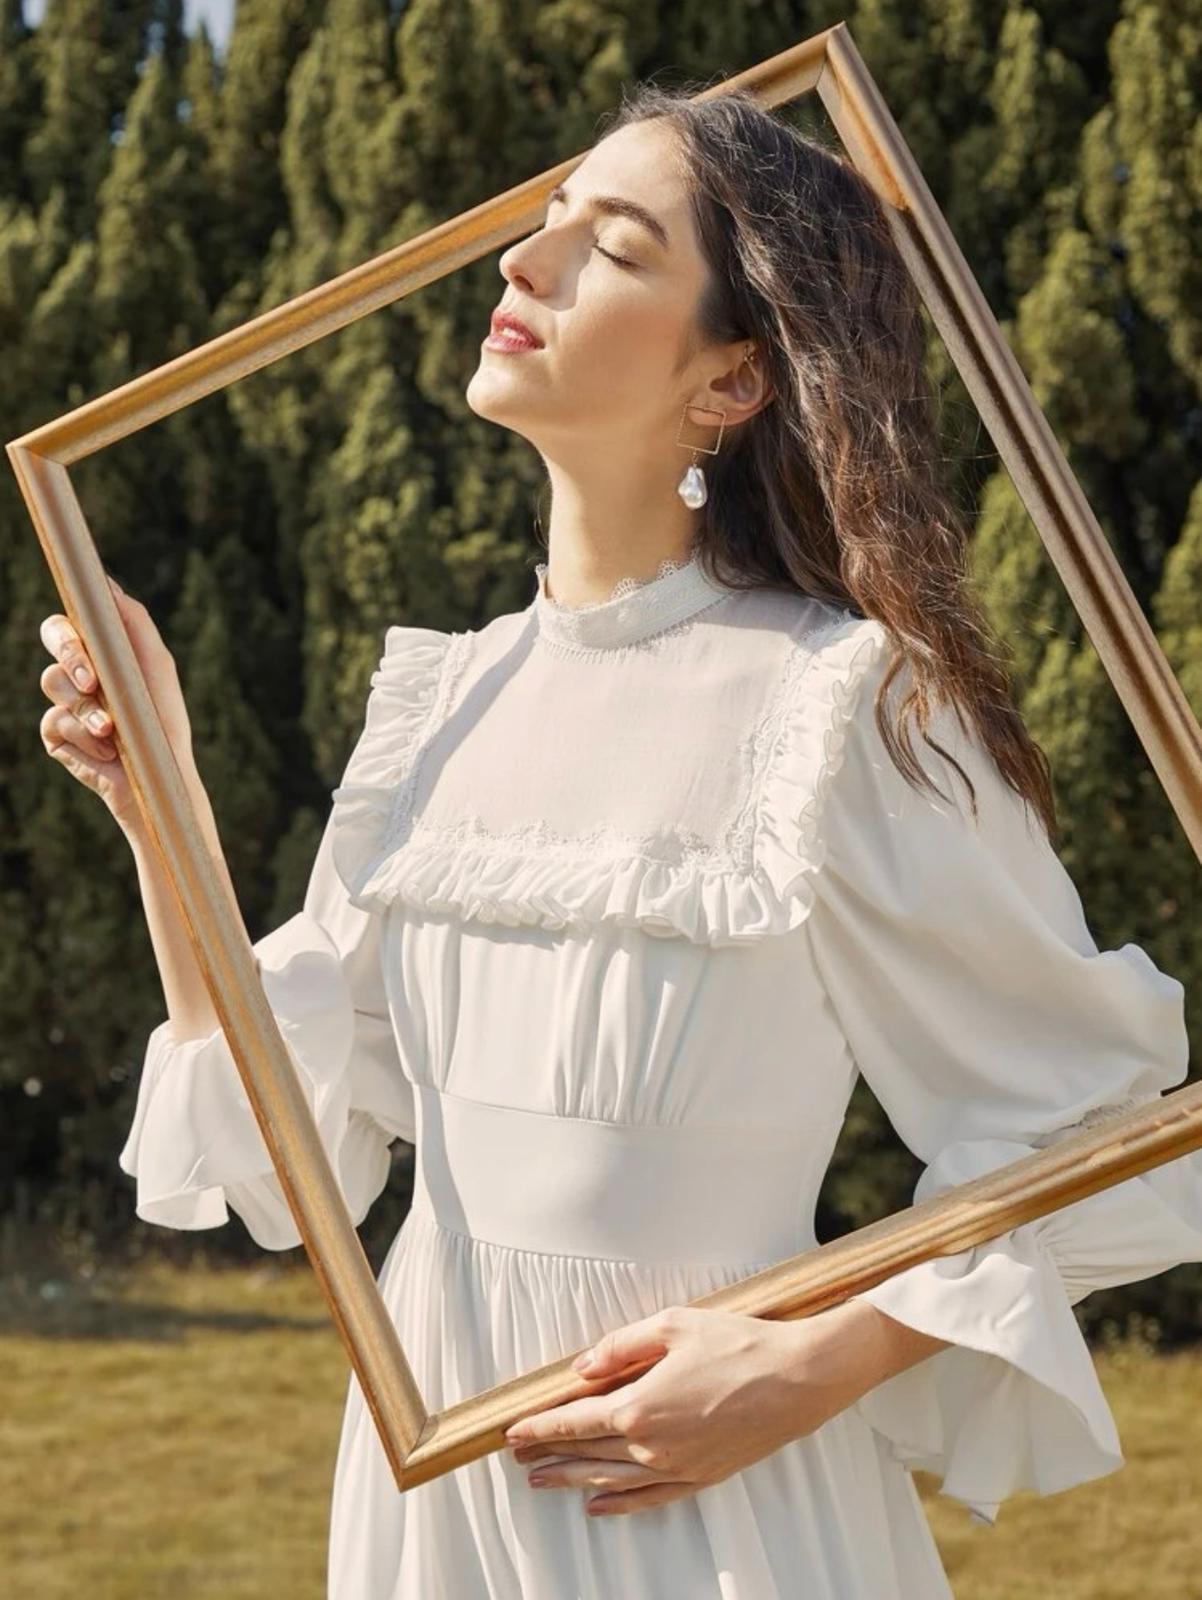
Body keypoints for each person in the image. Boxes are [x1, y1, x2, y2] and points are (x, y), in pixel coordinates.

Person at [37, 80, 1202, 1600]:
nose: (525, 265)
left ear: (730, 379)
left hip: (707, 1503)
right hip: (432, 1488)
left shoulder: (837, 703)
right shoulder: (442, 706)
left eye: (615, 244)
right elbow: (283, 1154)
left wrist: (808, 1365)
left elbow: (1105, 1135)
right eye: (542, 225)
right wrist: (163, 808)